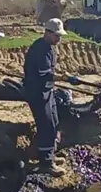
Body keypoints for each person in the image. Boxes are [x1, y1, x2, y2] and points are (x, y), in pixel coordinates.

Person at [23, 18, 80, 176]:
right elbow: (45, 74)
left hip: (47, 91)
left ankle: (49, 155)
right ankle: (46, 163)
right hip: (37, 92)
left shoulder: (49, 48)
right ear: (47, 33)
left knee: (54, 122)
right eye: (56, 36)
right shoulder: (40, 49)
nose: (59, 39)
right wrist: (65, 78)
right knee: (46, 125)